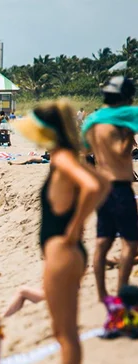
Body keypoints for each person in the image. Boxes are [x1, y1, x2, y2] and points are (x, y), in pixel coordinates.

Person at [16, 100, 108, 364]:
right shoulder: (68, 156)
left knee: (65, 333)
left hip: (62, 251)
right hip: (68, 252)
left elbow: (94, 185)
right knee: (64, 331)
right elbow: (104, 182)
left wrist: (74, 227)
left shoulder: (63, 157)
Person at [82, 77, 138, 305]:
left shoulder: (94, 122)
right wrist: (128, 136)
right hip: (119, 188)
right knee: (130, 243)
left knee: (102, 243)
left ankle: (102, 296)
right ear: (124, 98)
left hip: (102, 188)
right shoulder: (118, 124)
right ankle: (121, 291)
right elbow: (119, 151)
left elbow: (85, 153)